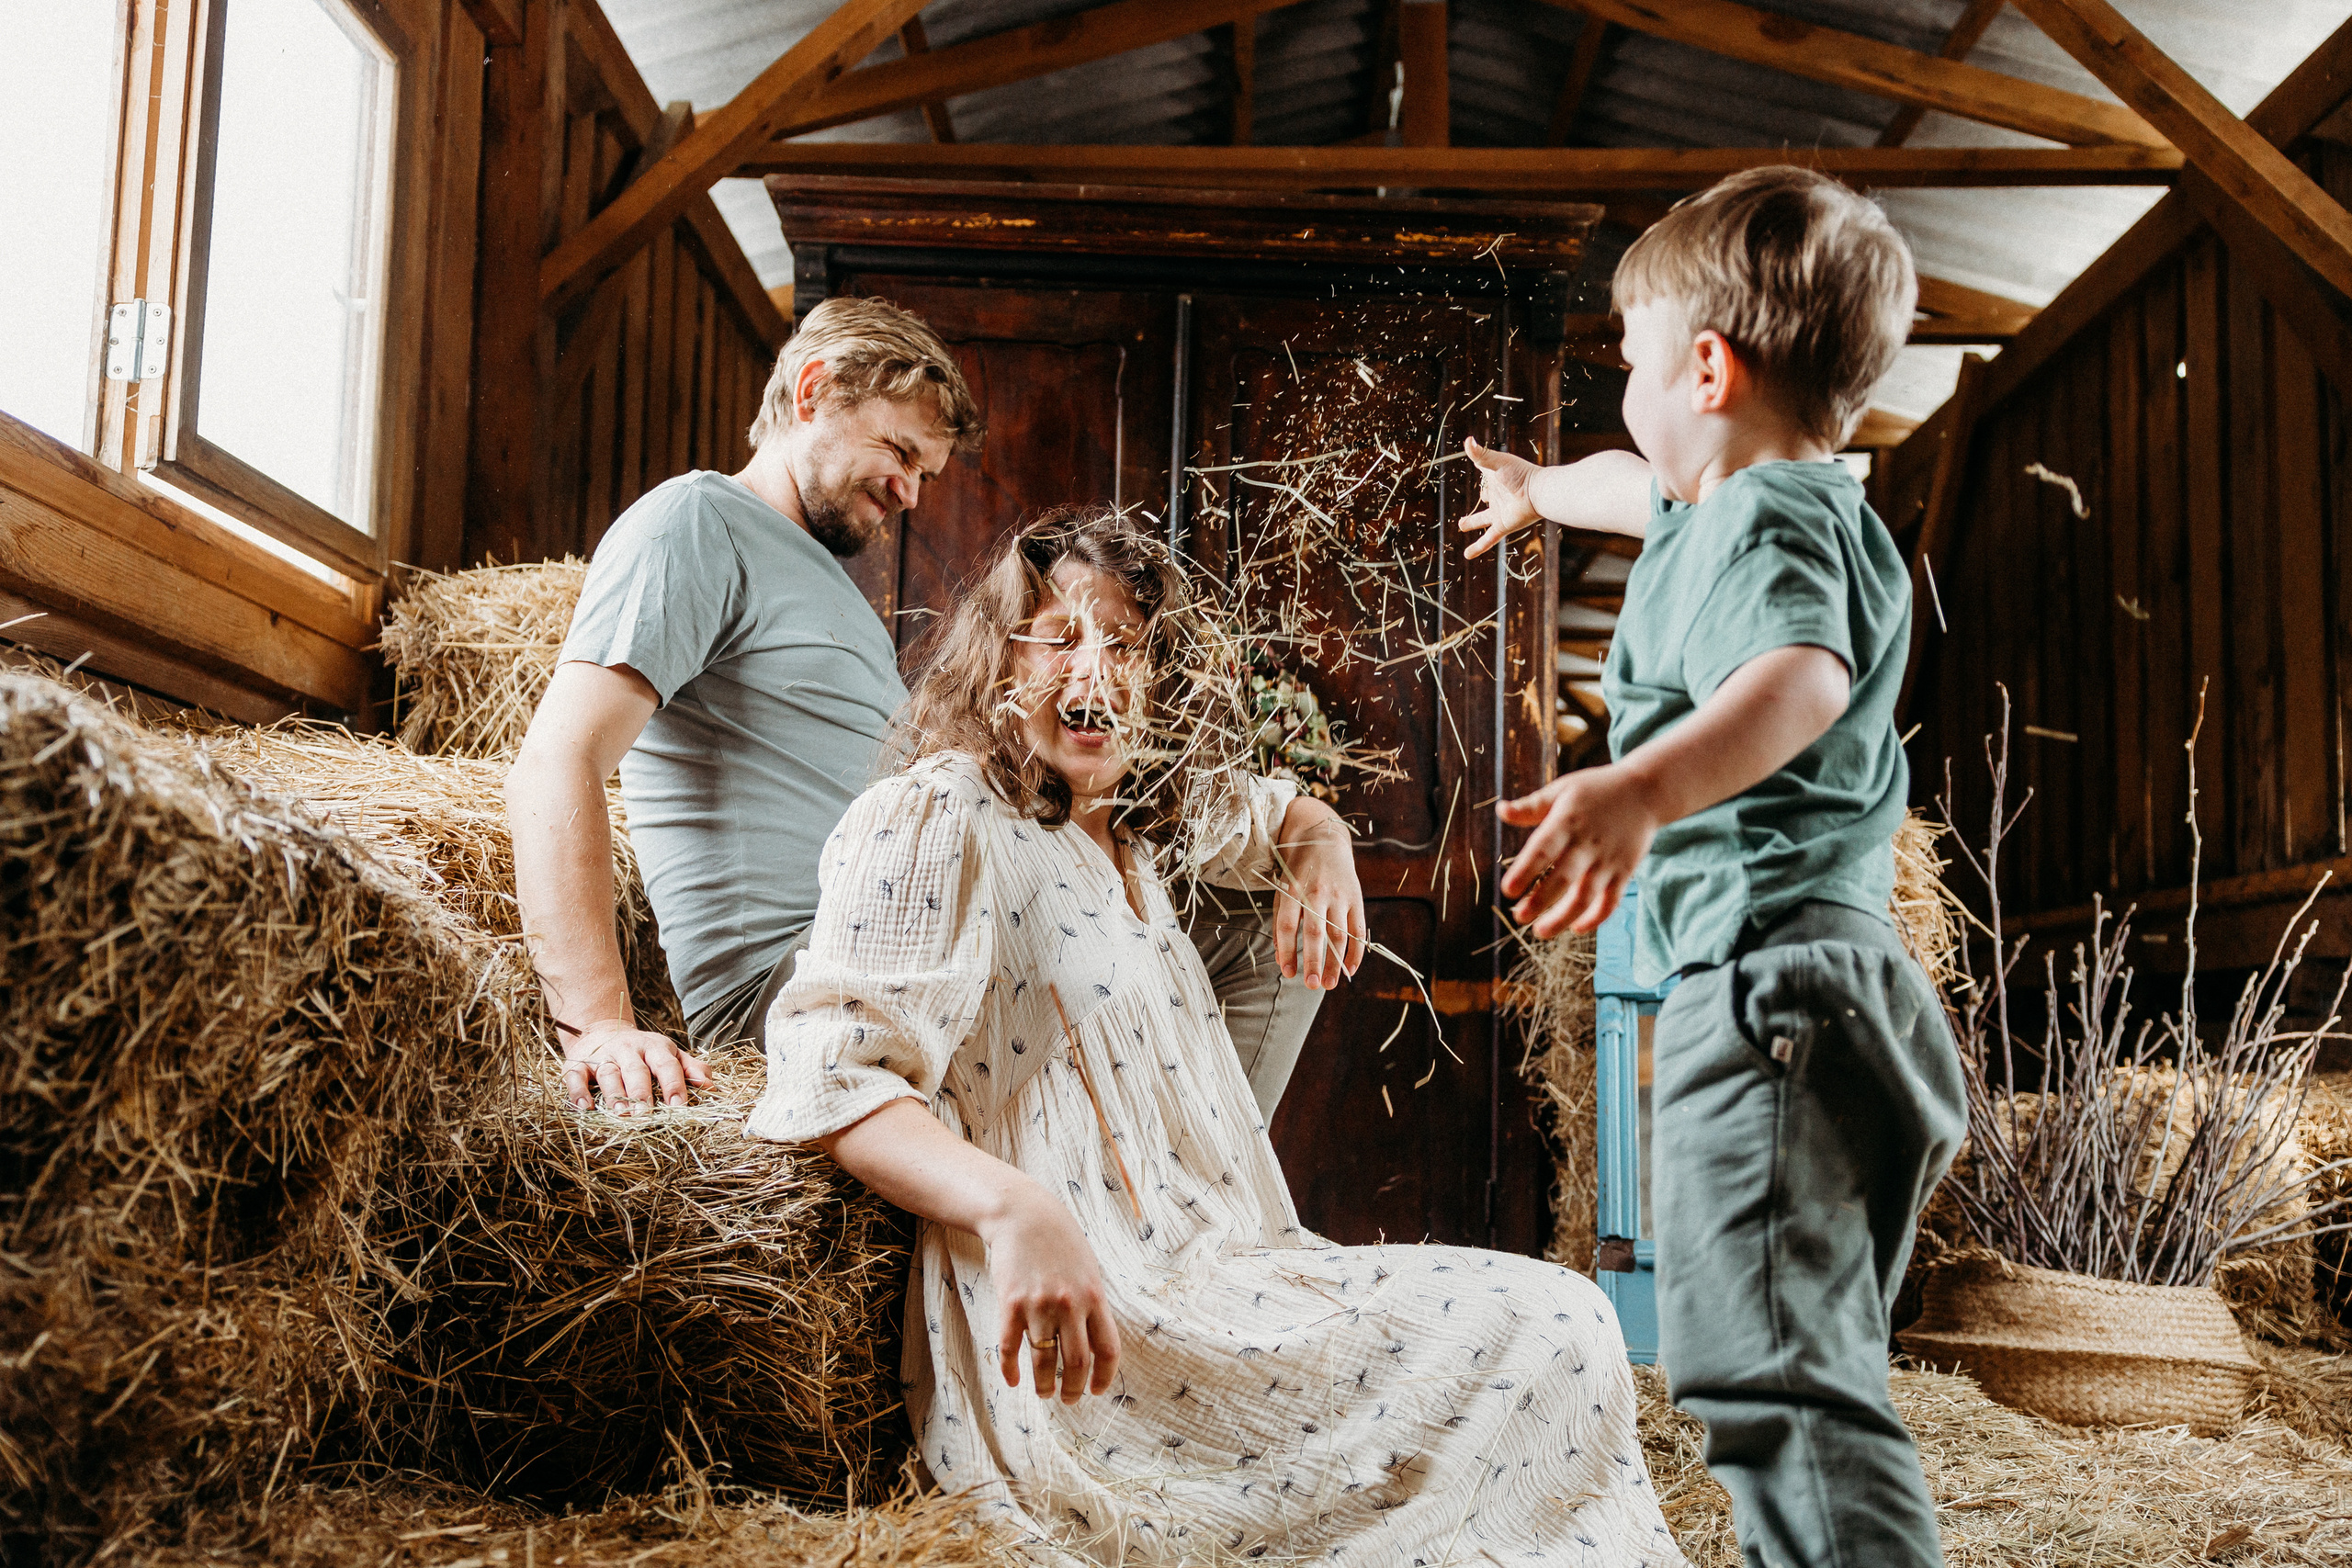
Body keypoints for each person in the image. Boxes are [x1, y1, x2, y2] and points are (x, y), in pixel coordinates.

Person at [746, 506, 1685, 1565]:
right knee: (1552, 1322)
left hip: (1230, 1277)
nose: (1093, 667)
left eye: (1129, 645)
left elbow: (1277, 813)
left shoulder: (1137, 826)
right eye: (1058, 636)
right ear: (999, 662)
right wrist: (1010, 1206)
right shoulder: (938, 815)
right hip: (1102, 1338)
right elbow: (830, 1071)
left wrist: (1322, 840)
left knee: (1564, 1323)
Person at [1455, 165, 1966, 1568]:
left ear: (1706, 364)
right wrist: (1539, 490)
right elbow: (1635, 483)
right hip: (1815, 987)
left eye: (1625, 362)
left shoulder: (1770, 522)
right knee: (1787, 1356)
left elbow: (1796, 679)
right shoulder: (1732, 501)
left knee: (1768, 1376)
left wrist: (1638, 785)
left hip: (1774, 993)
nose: (1620, 391)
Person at [504, 298, 1350, 1123]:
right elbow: (557, 758)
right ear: (812, 392)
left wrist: (1310, 824)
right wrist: (602, 1024)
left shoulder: (828, 586)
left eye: (925, 473)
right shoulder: (697, 522)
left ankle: (1181, 1205)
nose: (911, 491)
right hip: (811, 978)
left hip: (916, 925)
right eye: (898, 450)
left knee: (1251, 923)